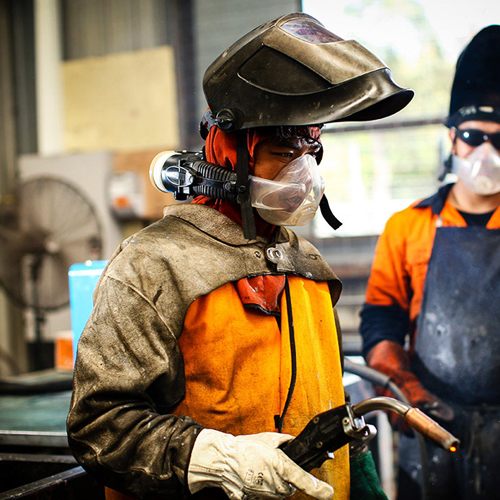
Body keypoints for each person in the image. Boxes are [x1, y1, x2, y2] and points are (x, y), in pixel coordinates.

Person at [67, 13, 412, 500]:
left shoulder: (307, 266)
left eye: (311, 151)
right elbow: (99, 427)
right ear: (230, 151)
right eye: (283, 152)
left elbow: (330, 403)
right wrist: (216, 458)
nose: (303, 174)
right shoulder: (154, 266)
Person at [360, 25, 500, 500]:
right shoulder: (408, 226)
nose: (486, 154)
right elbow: (382, 321)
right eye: (473, 137)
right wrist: (408, 393)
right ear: (452, 139)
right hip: (434, 427)